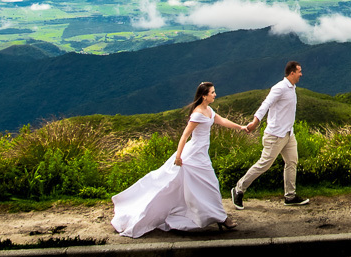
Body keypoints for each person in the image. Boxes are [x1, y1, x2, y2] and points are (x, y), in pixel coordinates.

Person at [111, 82, 247, 237]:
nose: (215, 94)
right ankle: (221, 218)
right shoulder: (197, 114)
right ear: (204, 95)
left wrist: (240, 127)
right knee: (210, 184)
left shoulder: (208, 110)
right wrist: (178, 157)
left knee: (200, 186)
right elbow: (185, 135)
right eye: (212, 92)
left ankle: (213, 216)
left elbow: (221, 120)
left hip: (201, 154)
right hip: (194, 156)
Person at [230, 61, 309, 209]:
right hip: (275, 135)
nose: (301, 74)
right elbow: (265, 104)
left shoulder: (292, 87)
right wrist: (255, 122)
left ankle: (290, 196)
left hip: (288, 134)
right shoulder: (279, 88)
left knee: (292, 162)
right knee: (264, 164)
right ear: (292, 73)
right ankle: (238, 189)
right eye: (299, 71)